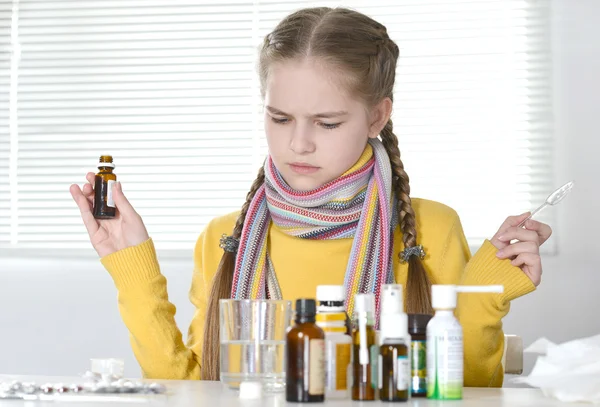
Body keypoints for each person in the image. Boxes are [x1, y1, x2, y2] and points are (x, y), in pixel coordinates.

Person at [69, 7, 552, 386]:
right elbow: (193, 389)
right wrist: (131, 265)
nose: (297, 143)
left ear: (377, 117)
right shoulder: (222, 238)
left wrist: (483, 296)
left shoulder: (431, 229)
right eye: (279, 119)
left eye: (327, 123)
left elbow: (461, 392)